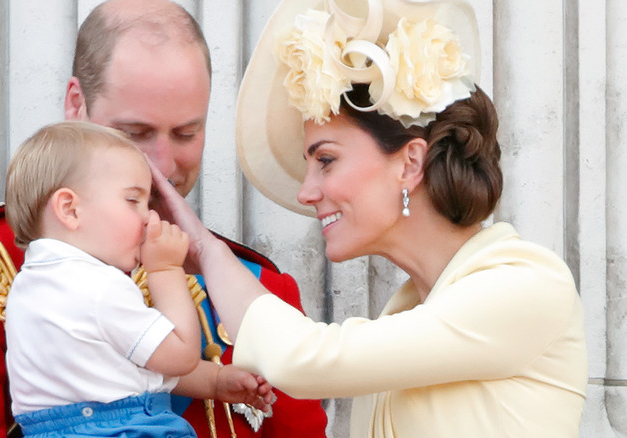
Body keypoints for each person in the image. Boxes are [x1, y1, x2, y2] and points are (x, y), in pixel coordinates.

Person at [0, 1, 328, 437]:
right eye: (134, 134)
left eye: (186, 133)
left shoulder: (260, 288)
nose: (163, 166)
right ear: (76, 105)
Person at [149, 0, 589, 437]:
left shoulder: (527, 283)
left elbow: (298, 359)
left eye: (326, 159)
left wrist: (206, 248)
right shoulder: (406, 312)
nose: (307, 192)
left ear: (410, 163)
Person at [4, 121, 261, 437]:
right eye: (132, 200)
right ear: (69, 209)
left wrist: (216, 382)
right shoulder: (99, 286)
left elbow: (127, 369)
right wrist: (165, 270)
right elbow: (177, 356)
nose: (149, 217)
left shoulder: (27, 287)